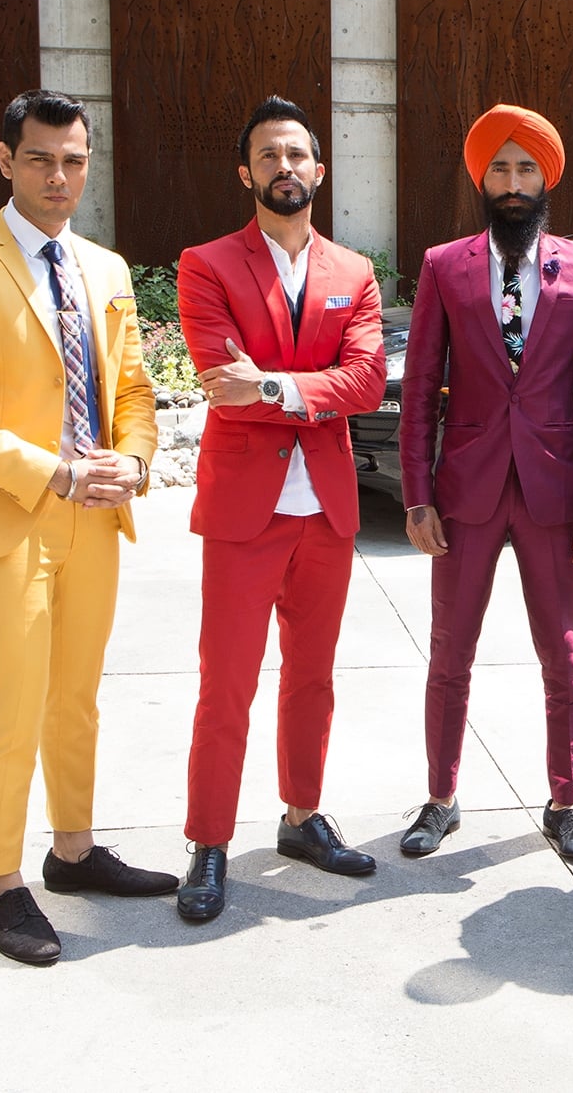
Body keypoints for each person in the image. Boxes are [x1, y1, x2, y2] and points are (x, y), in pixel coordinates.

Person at [0, 89, 173, 965]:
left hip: (95, 515)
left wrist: (134, 462)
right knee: (11, 704)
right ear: (5, 160)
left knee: (75, 699)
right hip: (5, 514)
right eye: (40, 159)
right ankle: (1, 883)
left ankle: (74, 851)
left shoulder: (107, 267)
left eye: (74, 160)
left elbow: (131, 389)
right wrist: (50, 470)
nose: (60, 177)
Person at [171, 96, 388, 922]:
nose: (284, 167)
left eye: (296, 154)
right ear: (246, 173)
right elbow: (215, 380)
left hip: (325, 511)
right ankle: (209, 842)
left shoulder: (353, 272)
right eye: (268, 155)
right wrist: (308, 390)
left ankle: (301, 817)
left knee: (312, 678)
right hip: (244, 513)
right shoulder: (207, 265)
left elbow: (367, 383)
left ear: (319, 169)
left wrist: (268, 384)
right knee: (226, 684)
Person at [397, 104, 573, 864]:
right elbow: (421, 386)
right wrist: (417, 495)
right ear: (482, 179)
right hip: (465, 492)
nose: (514, 182)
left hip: (555, 496)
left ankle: (567, 802)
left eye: (527, 168)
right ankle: (440, 797)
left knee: (564, 656)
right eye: (500, 168)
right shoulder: (443, 266)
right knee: (449, 654)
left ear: (546, 178)